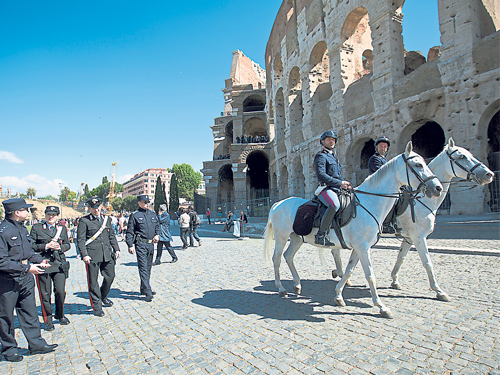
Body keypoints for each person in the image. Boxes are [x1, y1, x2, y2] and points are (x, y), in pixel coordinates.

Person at [0, 198, 58, 362]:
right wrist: (27, 268)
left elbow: (28, 252)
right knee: (6, 316)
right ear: (17, 213)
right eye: (26, 209)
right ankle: (9, 349)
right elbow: (2, 261)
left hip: (25, 278)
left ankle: (36, 343)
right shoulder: (3, 232)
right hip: (8, 280)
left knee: (30, 312)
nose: (29, 212)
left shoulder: (23, 229)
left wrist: (39, 260)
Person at [30, 206, 71, 331]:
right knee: (45, 294)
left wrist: (60, 247)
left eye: (53, 215)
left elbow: (68, 244)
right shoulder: (36, 228)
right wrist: (46, 246)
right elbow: (31, 245)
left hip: (59, 264)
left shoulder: (62, 228)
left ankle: (60, 314)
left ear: (57, 216)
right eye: (48, 214)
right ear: (45, 215)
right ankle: (48, 319)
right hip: (44, 264)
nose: (51, 217)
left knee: (60, 292)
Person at [77, 197, 120, 317]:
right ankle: (97, 306)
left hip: (107, 253)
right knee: (93, 281)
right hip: (92, 255)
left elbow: (111, 235)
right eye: (94, 208)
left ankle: (103, 296)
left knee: (110, 276)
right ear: (89, 208)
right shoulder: (84, 221)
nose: (97, 210)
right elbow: (80, 240)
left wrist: (116, 249)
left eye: (98, 207)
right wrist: (84, 254)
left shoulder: (107, 219)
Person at [314, 130, 352, 246]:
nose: (332, 141)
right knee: (334, 205)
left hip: (336, 188)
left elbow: (338, 175)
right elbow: (321, 175)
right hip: (325, 189)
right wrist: (340, 183)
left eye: (333, 139)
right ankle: (321, 235)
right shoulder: (320, 156)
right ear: (322, 141)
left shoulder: (334, 157)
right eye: (329, 139)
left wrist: (345, 184)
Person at [126, 195, 159, 302]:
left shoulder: (152, 214)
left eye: (148, 202)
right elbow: (130, 231)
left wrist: (157, 235)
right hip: (140, 244)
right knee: (143, 267)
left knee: (148, 267)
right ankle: (148, 290)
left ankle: (143, 288)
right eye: (145, 202)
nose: (147, 204)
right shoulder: (135, 215)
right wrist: (130, 245)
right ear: (139, 203)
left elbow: (158, 226)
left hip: (151, 244)